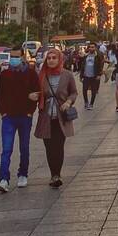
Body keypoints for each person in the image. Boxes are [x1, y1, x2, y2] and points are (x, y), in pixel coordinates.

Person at [0, 49, 40, 193]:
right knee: (6, 149)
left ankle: (23, 174)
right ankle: (3, 179)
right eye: (12, 57)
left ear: (22, 57)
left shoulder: (31, 74)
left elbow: (37, 92)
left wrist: (30, 112)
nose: (14, 59)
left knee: (24, 147)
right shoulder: (5, 74)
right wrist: (3, 112)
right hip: (9, 117)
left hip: (24, 116)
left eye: (16, 57)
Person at [35, 47, 79, 187]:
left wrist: (68, 102)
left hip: (61, 117)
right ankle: (52, 173)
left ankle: (57, 175)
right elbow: (36, 91)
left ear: (59, 59)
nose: (51, 60)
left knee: (58, 147)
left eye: (54, 58)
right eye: (49, 58)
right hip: (46, 117)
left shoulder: (67, 75)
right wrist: (34, 96)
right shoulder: (42, 75)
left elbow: (74, 93)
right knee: (49, 147)